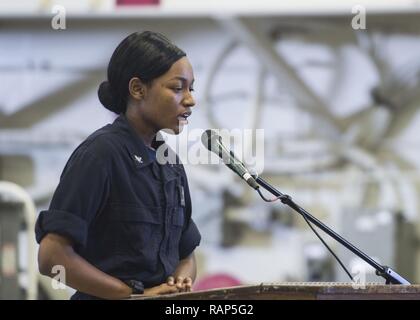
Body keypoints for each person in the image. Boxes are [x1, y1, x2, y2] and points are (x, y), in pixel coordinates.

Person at [35, 31, 201, 300]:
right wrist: (132, 295)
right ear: (137, 89)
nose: (190, 100)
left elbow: (186, 254)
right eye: (177, 88)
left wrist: (180, 280)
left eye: (191, 88)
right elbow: (52, 257)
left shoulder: (170, 163)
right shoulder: (100, 155)